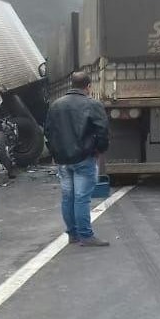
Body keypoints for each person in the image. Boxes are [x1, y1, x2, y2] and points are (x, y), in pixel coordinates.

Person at [44, 71, 110, 247]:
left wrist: (56, 153)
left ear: (71, 85)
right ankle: (86, 236)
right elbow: (102, 131)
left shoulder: (56, 106)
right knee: (81, 198)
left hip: (63, 160)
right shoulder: (92, 105)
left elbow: (48, 132)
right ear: (88, 86)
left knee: (68, 197)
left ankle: (72, 234)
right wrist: (98, 150)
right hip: (84, 157)